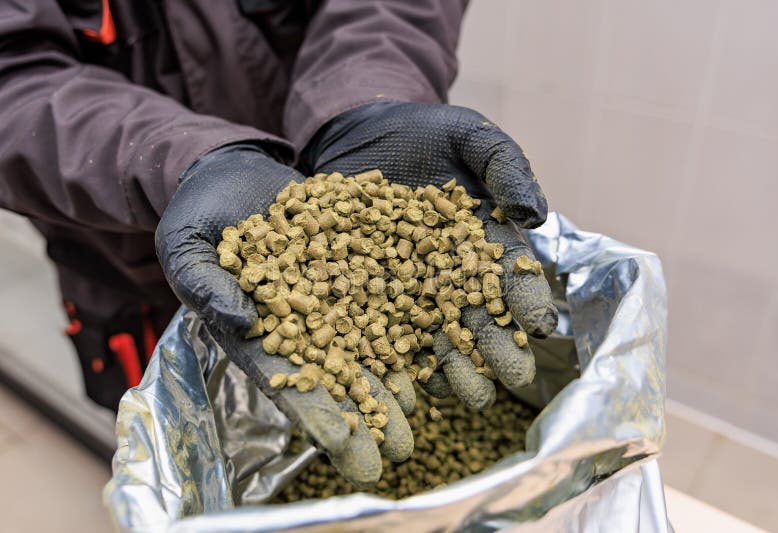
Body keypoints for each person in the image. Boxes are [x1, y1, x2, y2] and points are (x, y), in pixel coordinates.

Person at [0, 0, 556, 485]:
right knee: (185, 469)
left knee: (365, 430)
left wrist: (369, 95)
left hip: (329, 159)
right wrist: (181, 160)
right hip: (127, 266)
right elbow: (13, 78)